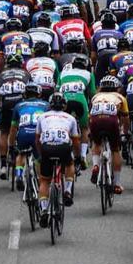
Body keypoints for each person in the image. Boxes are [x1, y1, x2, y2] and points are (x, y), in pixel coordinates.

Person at [36, 93, 83, 227]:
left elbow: (37, 139)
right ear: (64, 106)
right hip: (63, 148)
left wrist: (41, 154)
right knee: (69, 164)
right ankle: (67, 191)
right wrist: (78, 156)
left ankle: (44, 209)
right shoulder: (70, 118)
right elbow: (75, 141)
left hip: (47, 148)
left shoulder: (42, 117)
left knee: (44, 180)